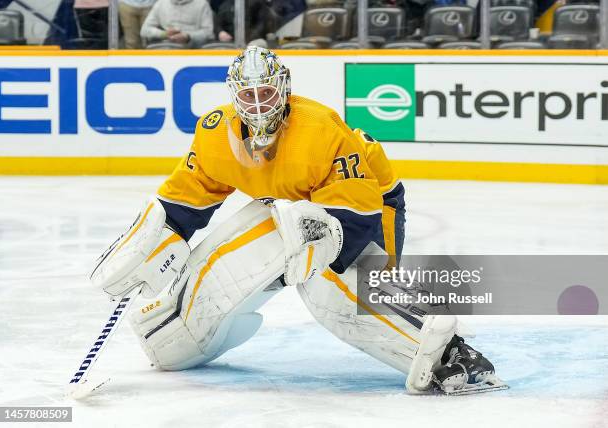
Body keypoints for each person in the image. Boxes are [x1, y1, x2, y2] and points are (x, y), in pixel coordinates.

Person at [90, 46, 505, 395]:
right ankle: (178, 326)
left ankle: (448, 351)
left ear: (284, 87)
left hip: (368, 202)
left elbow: (358, 211)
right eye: (248, 96)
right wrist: (157, 240)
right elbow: (186, 198)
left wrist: (321, 246)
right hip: (291, 207)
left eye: (266, 93)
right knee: (178, 334)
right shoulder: (215, 133)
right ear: (233, 95)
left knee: (334, 294)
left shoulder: (321, 129)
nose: (257, 105)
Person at [140, 0, 213, 48]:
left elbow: (208, 33)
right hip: (165, 49)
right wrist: (164, 34)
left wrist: (188, 36)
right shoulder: (161, 3)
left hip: (192, 51)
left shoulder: (202, 4)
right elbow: (144, 30)